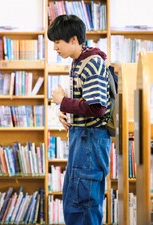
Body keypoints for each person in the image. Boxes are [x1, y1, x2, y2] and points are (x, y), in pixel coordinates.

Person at [47, 14, 111, 225]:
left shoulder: (91, 63)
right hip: (82, 138)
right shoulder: (78, 61)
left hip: (90, 140)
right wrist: (65, 112)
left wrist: (63, 102)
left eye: (58, 42)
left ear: (73, 40)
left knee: (83, 204)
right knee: (75, 201)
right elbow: (86, 101)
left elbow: (97, 107)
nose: (55, 47)